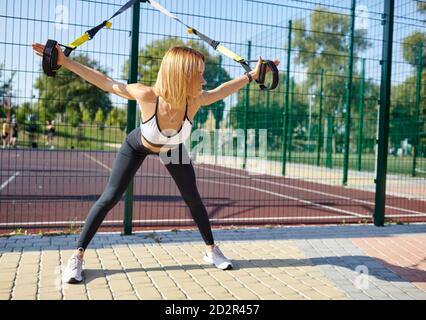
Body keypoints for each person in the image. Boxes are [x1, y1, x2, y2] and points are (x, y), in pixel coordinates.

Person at [32, 42, 279, 284]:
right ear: (182, 75)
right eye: (200, 75)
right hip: (138, 145)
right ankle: (77, 256)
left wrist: (252, 76)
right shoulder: (147, 96)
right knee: (110, 197)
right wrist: (65, 61)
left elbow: (223, 89)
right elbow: (106, 82)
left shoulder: (194, 101)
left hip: (172, 148)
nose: (204, 81)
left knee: (193, 199)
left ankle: (211, 250)